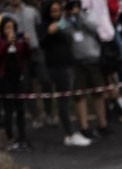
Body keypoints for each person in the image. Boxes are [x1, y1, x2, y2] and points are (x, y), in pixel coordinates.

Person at [39, 0, 90, 146]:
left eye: (58, 10)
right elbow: (43, 41)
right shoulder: (44, 26)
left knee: (69, 98)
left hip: (68, 64)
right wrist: (51, 30)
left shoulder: (65, 24)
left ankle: (73, 131)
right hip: (56, 66)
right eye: (53, 11)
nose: (56, 14)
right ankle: (69, 133)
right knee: (63, 101)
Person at [1, 0, 51, 128]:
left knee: (45, 80)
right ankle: (35, 116)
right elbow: (2, 35)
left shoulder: (31, 11)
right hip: (20, 53)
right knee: (27, 85)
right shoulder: (4, 15)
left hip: (35, 49)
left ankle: (49, 112)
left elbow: (40, 27)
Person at [64, 0, 109, 138]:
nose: (74, 9)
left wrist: (80, 17)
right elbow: (64, 33)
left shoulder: (87, 14)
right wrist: (68, 18)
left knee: (98, 92)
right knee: (79, 95)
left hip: (93, 58)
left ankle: (103, 124)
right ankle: (84, 126)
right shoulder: (66, 20)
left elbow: (95, 27)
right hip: (77, 62)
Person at [0, 15, 30, 149]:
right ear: (2, 29)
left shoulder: (18, 42)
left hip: (17, 78)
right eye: (7, 28)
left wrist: (26, 43)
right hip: (4, 79)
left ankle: (22, 137)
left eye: (12, 28)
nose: (10, 30)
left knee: (20, 109)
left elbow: (26, 56)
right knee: (8, 110)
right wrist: (7, 43)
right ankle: (9, 137)